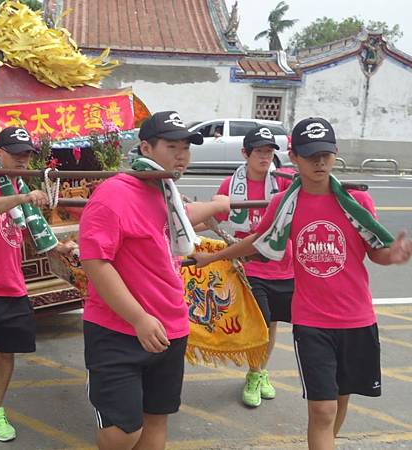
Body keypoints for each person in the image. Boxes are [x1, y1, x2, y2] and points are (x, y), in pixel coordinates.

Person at [194, 117, 412, 450]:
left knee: (340, 400)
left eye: (325, 153)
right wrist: (213, 257)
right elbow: (258, 240)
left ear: (335, 153)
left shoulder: (356, 202)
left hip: (357, 319)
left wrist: (392, 255)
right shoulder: (285, 204)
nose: (319, 162)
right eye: (310, 155)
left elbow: (375, 252)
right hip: (312, 322)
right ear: (294, 157)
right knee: (322, 409)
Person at [79, 111, 230, 450]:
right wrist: (138, 318)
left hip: (170, 328)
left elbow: (181, 220)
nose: (181, 155)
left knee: (156, 419)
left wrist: (218, 204)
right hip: (119, 331)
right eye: (172, 146)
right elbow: (95, 261)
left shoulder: (166, 191)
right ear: (146, 148)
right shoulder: (114, 194)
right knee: (122, 432)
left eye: (186, 148)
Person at [0, 126, 76, 442]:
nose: (22, 159)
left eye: (27, 154)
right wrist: (21, 197)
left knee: (6, 352)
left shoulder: (17, 184)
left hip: (12, 286)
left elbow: (30, 230)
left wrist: (57, 247)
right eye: (16, 153)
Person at [208, 126, 294, 408]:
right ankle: (256, 373)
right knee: (260, 321)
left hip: (283, 265)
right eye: (259, 151)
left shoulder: (282, 181)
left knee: (271, 324)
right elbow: (215, 218)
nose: (265, 157)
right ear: (245, 153)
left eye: (269, 151)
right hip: (250, 268)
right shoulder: (229, 186)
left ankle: (258, 371)